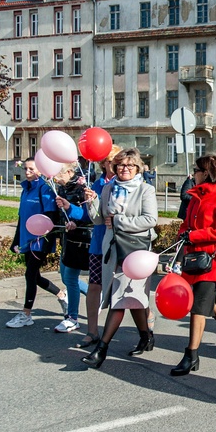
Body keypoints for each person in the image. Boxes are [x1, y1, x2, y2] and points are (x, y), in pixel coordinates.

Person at [81, 148, 158, 369]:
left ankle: (101, 349)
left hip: (135, 251)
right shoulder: (108, 188)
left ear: (137, 168)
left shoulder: (145, 189)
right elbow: (99, 220)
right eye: (121, 165)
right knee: (132, 298)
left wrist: (119, 221)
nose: (125, 168)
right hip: (112, 250)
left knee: (120, 299)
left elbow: (150, 220)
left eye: (130, 165)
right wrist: (92, 202)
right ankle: (146, 336)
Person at [170, 155, 216, 375]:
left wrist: (194, 235)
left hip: (212, 260)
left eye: (197, 170)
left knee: (198, 306)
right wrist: (183, 235)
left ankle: (191, 355)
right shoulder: (196, 195)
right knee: (207, 303)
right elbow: (187, 223)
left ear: (207, 173)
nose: (194, 173)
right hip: (194, 257)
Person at [66, 146, 122, 347]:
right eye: (109, 161)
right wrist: (69, 207)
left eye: (116, 161)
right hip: (99, 243)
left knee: (124, 289)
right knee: (94, 286)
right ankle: (92, 332)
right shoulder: (97, 184)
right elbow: (88, 216)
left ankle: (145, 324)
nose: (113, 165)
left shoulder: (125, 184)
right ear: (103, 163)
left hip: (121, 244)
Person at [6, 157, 68, 328]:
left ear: (40, 170)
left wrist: (47, 241)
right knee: (35, 276)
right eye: (25, 169)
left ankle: (26, 314)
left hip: (40, 240)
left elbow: (51, 216)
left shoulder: (44, 188)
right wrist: (16, 240)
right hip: (27, 240)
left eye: (31, 169)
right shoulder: (26, 189)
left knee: (30, 274)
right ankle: (61, 295)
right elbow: (21, 217)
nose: (27, 172)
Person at [52, 161, 91, 333]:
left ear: (69, 172)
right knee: (65, 277)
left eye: (58, 174)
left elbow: (91, 214)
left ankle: (72, 318)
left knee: (70, 278)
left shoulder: (82, 187)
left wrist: (76, 223)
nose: (55, 178)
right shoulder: (61, 188)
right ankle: (94, 295)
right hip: (66, 237)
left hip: (80, 239)